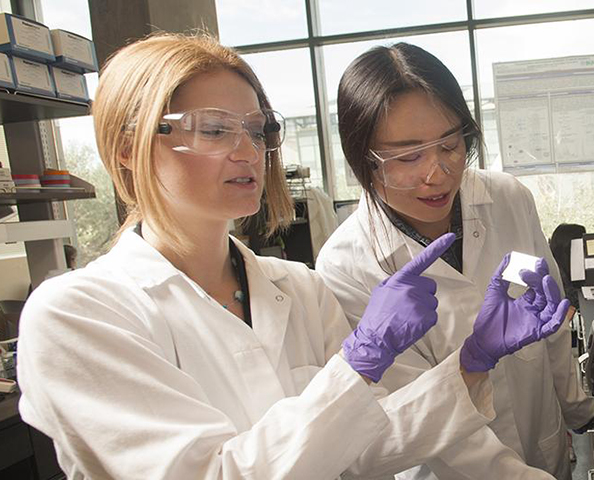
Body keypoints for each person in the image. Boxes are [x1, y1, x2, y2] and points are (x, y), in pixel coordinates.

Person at [17, 33, 566, 480]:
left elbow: (365, 451)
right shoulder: (76, 315)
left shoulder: (298, 289)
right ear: (126, 150)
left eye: (258, 131)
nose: (247, 150)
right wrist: (357, 365)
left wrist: (472, 360)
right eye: (213, 130)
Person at [316, 43, 594, 480]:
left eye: (450, 145)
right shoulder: (346, 266)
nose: (439, 173)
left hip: (543, 447)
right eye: (408, 157)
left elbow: (552, 318)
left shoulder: (507, 198)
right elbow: (411, 412)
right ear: (362, 160)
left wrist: (580, 411)